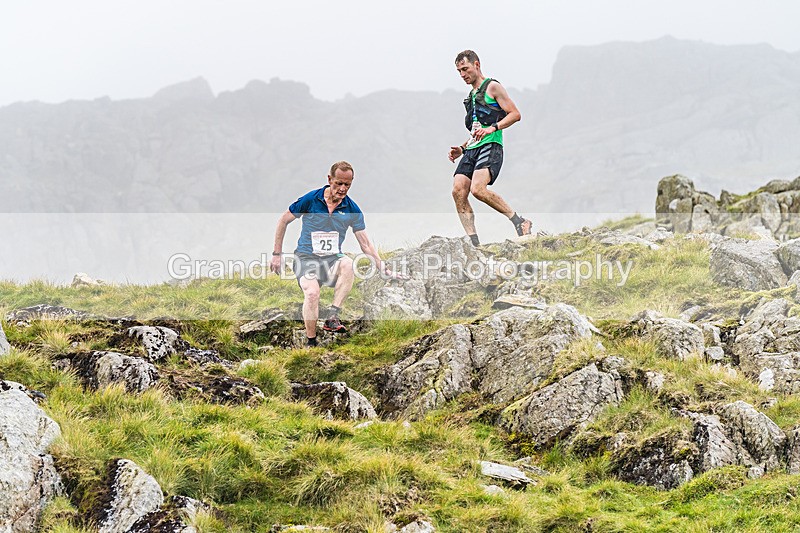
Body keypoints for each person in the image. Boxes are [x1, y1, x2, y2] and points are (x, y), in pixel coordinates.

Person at [270, 161, 402, 347]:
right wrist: (277, 254)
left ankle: (333, 316)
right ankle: (311, 341)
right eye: (338, 183)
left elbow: (365, 244)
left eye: (347, 185)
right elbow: (283, 220)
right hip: (306, 259)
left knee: (347, 263)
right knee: (313, 294)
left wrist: (384, 269)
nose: (342, 189)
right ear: (329, 179)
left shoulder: (352, 209)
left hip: (332, 261)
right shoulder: (311, 200)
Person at [448, 49, 532, 246]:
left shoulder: (492, 87)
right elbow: (476, 129)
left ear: (477, 65)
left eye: (465, 69)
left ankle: (520, 222)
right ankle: (473, 243)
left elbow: (515, 114)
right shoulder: (472, 95)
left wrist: (493, 128)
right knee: (458, 190)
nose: (462, 74)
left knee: (478, 189)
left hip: (492, 144)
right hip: (472, 148)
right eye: (459, 71)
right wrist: (462, 148)